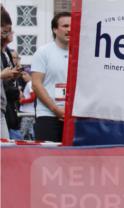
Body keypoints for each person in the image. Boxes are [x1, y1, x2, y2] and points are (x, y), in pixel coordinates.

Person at [31, 12, 71, 142]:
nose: (69, 29)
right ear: (54, 29)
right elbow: (36, 84)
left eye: (72, 26)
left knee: (72, 160)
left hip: (72, 117)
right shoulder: (43, 52)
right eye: (65, 26)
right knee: (48, 159)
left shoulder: (81, 53)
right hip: (48, 115)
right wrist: (55, 109)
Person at [1, 8, 24, 138]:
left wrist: (11, 76)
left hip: (3, 109)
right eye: (6, 30)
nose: (10, 33)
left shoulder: (6, 52)